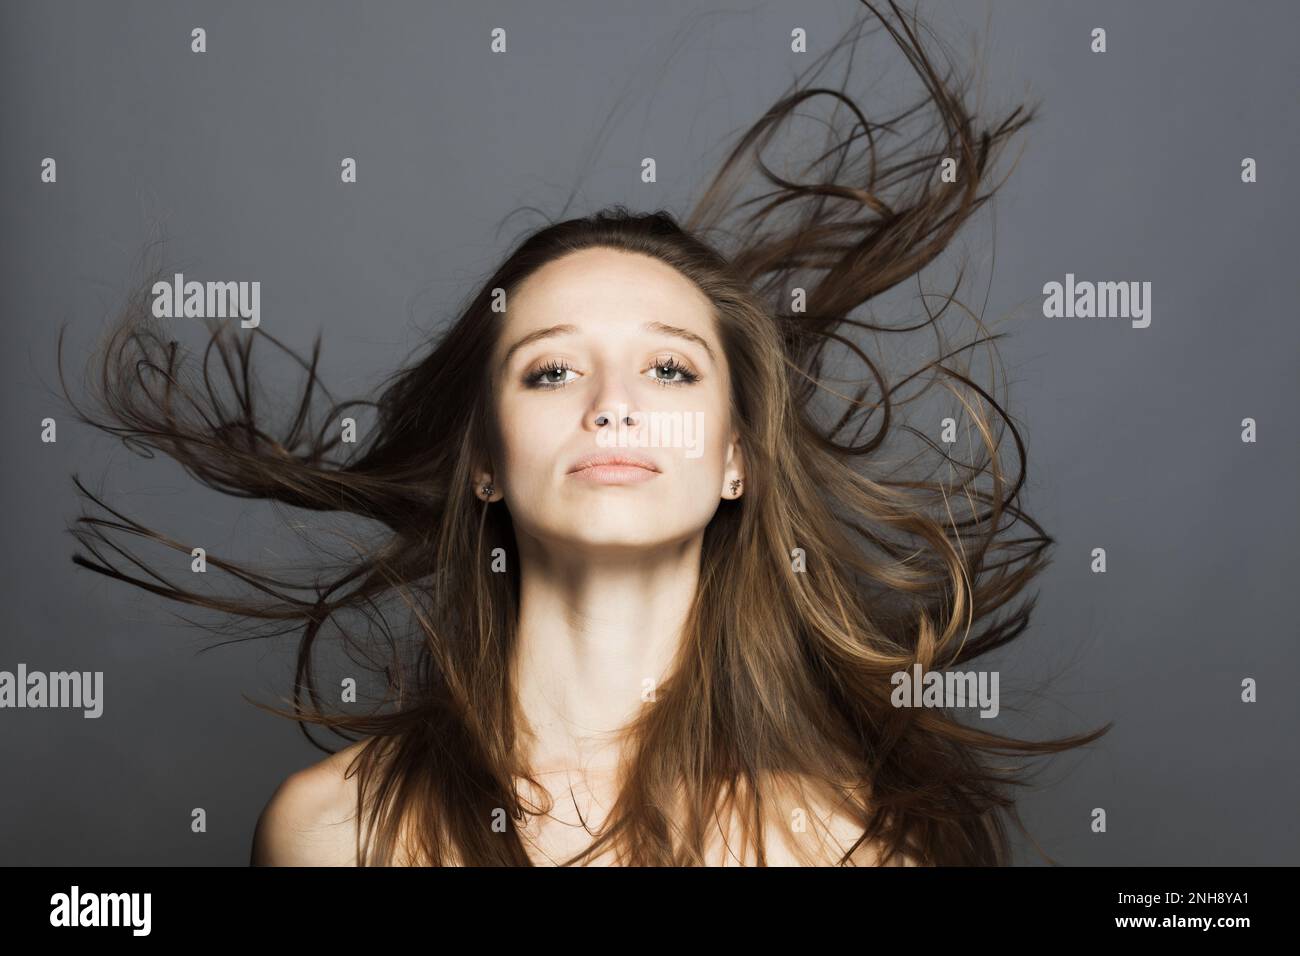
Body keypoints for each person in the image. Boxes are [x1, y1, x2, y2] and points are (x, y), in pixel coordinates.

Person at [60, 1, 1109, 866]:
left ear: (738, 456)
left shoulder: (853, 844)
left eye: (668, 367)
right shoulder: (336, 831)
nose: (613, 402)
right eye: (551, 368)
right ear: (483, 460)